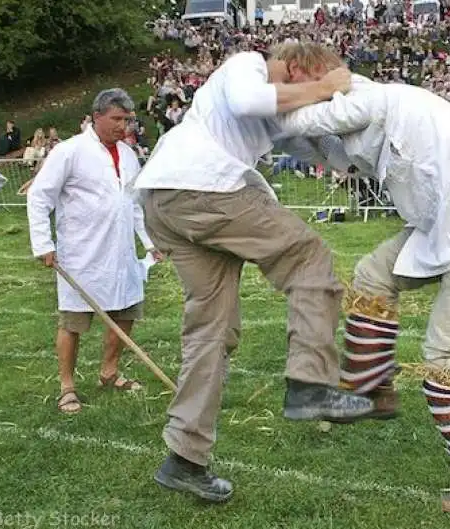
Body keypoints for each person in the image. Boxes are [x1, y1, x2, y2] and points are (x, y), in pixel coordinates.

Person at [273, 72, 450, 515]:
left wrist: (260, 109)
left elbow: (310, 120)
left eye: (293, 81)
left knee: (446, 362)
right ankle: (377, 390)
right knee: (371, 279)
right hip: (445, 231)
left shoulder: (370, 98)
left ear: (314, 78)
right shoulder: (361, 121)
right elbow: (324, 151)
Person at [130, 43, 375, 504]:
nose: (318, 97)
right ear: (298, 68)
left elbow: (329, 151)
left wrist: (367, 124)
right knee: (309, 258)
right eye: (313, 85)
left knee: (211, 331)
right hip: (204, 189)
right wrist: (328, 86)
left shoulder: (275, 110)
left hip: (170, 202)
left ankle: (184, 459)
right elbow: (248, 101)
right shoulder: (247, 65)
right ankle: (311, 386)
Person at [26, 88, 163, 415]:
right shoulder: (69, 152)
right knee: (74, 321)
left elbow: (133, 205)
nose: (123, 126)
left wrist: (150, 242)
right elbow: (39, 197)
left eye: (127, 119)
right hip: (82, 254)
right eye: (116, 119)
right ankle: (67, 387)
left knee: (126, 311)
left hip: (121, 253)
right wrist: (44, 244)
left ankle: (109, 372)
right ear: (97, 116)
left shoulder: (129, 155)